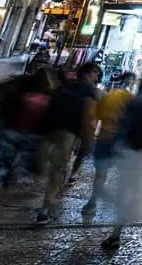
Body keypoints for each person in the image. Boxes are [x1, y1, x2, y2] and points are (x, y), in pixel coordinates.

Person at [100, 71, 142, 251]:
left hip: (126, 149)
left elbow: (123, 126)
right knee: (130, 190)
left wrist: (113, 148)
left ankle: (115, 229)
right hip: (140, 152)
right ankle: (117, 228)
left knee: (121, 191)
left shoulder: (135, 103)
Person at [0, 65, 55, 214]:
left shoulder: (20, 93)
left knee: (1, 167)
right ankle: (10, 182)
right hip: (30, 137)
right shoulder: (47, 100)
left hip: (10, 133)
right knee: (21, 166)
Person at [35, 62, 99, 225]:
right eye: (95, 73)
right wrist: (87, 140)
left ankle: (46, 202)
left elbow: (50, 103)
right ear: (88, 73)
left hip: (49, 130)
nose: (96, 77)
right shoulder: (89, 91)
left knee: (49, 168)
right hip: (67, 134)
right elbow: (87, 116)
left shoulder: (65, 85)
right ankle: (44, 210)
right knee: (56, 172)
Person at [81, 72, 136, 215]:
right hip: (119, 140)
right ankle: (118, 204)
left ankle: (92, 202)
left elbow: (97, 117)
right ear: (131, 82)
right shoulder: (130, 99)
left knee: (100, 173)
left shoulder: (106, 96)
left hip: (104, 137)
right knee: (123, 175)